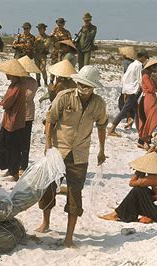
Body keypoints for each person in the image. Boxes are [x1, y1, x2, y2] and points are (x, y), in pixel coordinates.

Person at [37, 65, 108, 248]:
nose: (84, 88)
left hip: (80, 155)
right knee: (48, 188)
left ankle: (69, 236)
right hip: (58, 150)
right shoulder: (64, 96)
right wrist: (48, 144)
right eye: (82, 84)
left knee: (75, 194)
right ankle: (46, 222)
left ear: (94, 87)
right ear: (77, 82)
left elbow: (101, 126)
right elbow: (51, 119)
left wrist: (101, 150)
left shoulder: (99, 104)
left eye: (88, 85)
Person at [99, 152, 157, 223]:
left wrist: (139, 171)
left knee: (137, 190)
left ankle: (116, 214)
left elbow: (132, 183)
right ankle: (122, 211)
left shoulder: (154, 178)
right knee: (144, 191)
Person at [0, 59, 30, 181]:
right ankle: (11, 168)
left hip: (13, 120)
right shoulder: (16, 84)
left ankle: (14, 172)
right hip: (11, 120)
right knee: (6, 146)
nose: (6, 74)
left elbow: (7, 102)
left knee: (10, 147)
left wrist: (3, 102)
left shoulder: (18, 86)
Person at [107, 50, 149, 137]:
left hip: (128, 89)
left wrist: (125, 90)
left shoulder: (132, 64)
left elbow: (125, 77)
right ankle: (112, 128)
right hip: (133, 91)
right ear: (143, 57)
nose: (145, 60)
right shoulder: (139, 65)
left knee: (137, 110)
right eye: (145, 58)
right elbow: (140, 80)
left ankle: (140, 129)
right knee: (125, 110)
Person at [137, 60, 157, 149]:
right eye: (156, 67)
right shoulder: (146, 76)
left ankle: (144, 140)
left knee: (150, 119)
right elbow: (151, 88)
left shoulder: (152, 76)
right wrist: (154, 87)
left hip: (152, 99)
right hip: (148, 99)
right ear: (152, 67)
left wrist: (155, 80)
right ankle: (145, 139)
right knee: (153, 119)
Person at [116, 46, 138, 128]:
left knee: (123, 102)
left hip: (128, 85)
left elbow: (127, 74)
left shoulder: (126, 62)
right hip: (134, 85)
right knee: (131, 103)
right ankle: (131, 120)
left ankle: (129, 118)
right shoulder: (135, 63)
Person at [49, 17, 72, 84]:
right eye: (58, 23)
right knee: (53, 66)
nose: (59, 25)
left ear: (64, 24)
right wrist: (54, 32)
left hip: (63, 53)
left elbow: (70, 43)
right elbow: (50, 39)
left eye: (61, 23)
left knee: (62, 68)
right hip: (55, 52)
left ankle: (60, 81)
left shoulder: (67, 32)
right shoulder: (54, 31)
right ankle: (51, 81)